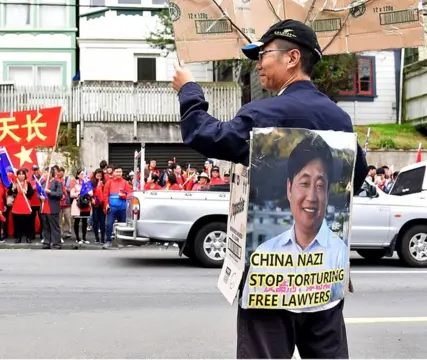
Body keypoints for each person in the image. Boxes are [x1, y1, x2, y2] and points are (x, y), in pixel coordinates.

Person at [172, 19, 368, 359]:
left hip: (269, 286)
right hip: (324, 282)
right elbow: (357, 177)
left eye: (263, 55)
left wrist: (189, 90)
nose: (258, 63)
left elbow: (206, 135)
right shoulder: (340, 120)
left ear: (292, 58)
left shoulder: (262, 113)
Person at [241, 135, 348, 308]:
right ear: (289, 189)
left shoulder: (339, 253)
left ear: (328, 194)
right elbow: (251, 305)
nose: (312, 197)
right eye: (305, 183)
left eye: (320, 186)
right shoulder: (265, 252)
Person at [102, 165, 131, 248]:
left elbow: (129, 195)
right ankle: (108, 241)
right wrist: (106, 204)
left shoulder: (125, 183)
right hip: (112, 208)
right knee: (109, 224)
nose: (118, 173)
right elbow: (105, 194)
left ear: (122, 173)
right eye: (117, 172)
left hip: (122, 208)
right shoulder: (109, 182)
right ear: (114, 172)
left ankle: (123, 242)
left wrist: (123, 196)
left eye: (120, 172)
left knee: (123, 225)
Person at [40, 166, 63, 249]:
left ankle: (56, 243)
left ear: (51, 173)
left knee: (55, 226)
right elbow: (39, 193)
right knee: (46, 226)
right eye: (45, 172)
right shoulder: (43, 183)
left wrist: (49, 192)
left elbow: (60, 194)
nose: (45, 174)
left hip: (52, 207)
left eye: (46, 172)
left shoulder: (57, 183)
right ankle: (47, 242)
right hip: (44, 207)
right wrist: (40, 197)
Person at [10, 168, 34, 243]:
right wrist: (12, 189)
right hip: (17, 205)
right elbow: (10, 193)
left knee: (27, 222)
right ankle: (18, 237)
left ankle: (28, 237)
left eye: (22, 174)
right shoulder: (15, 183)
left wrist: (25, 192)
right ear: (17, 175)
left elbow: (31, 193)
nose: (21, 175)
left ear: (25, 175)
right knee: (17, 222)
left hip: (26, 205)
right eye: (19, 174)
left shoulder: (28, 183)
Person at [70, 170, 92, 244]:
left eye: (84, 174)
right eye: (81, 174)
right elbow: (71, 194)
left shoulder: (87, 182)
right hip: (77, 203)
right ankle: (77, 238)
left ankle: (84, 238)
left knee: (85, 221)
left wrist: (85, 191)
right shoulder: (74, 182)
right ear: (78, 175)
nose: (83, 175)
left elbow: (91, 193)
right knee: (77, 221)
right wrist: (81, 192)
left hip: (85, 203)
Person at [91, 169, 106, 244]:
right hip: (95, 204)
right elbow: (89, 192)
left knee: (102, 221)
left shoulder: (104, 182)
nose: (99, 175)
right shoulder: (92, 182)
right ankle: (97, 237)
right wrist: (91, 199)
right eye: (97, 174)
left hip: (102, 204)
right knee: (95, 221)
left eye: (100, 174)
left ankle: (103, 238)